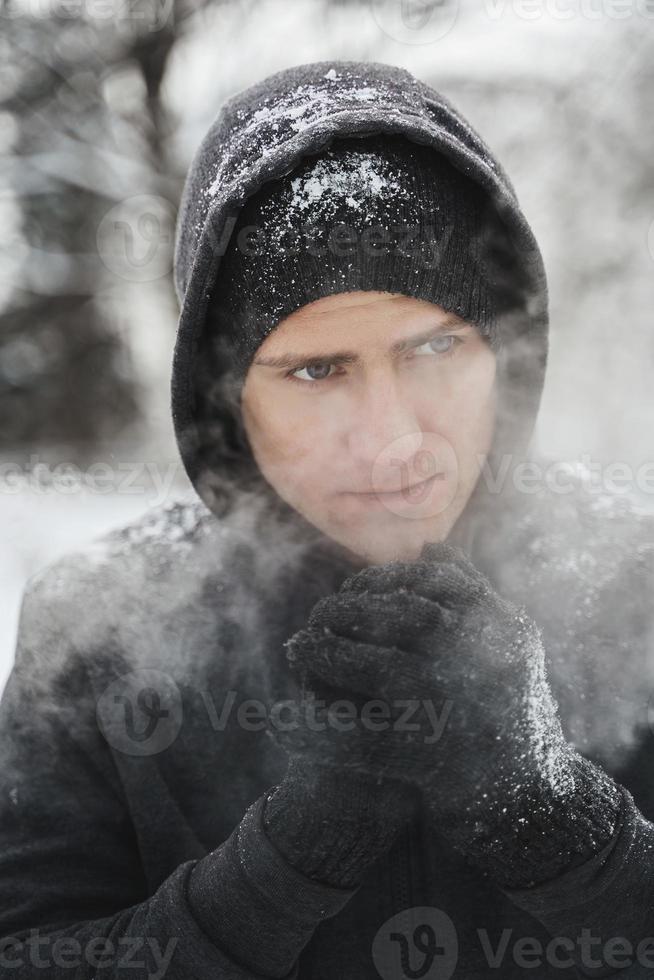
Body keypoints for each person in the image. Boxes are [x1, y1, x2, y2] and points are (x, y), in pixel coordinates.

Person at [0, 59, 653, 980]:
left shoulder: (637, 576)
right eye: (317, 370)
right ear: (224, 398)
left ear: (507, 350)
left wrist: (550, 815)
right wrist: (289, 859)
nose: (393, 442)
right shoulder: (98, 629)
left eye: (434, 347)